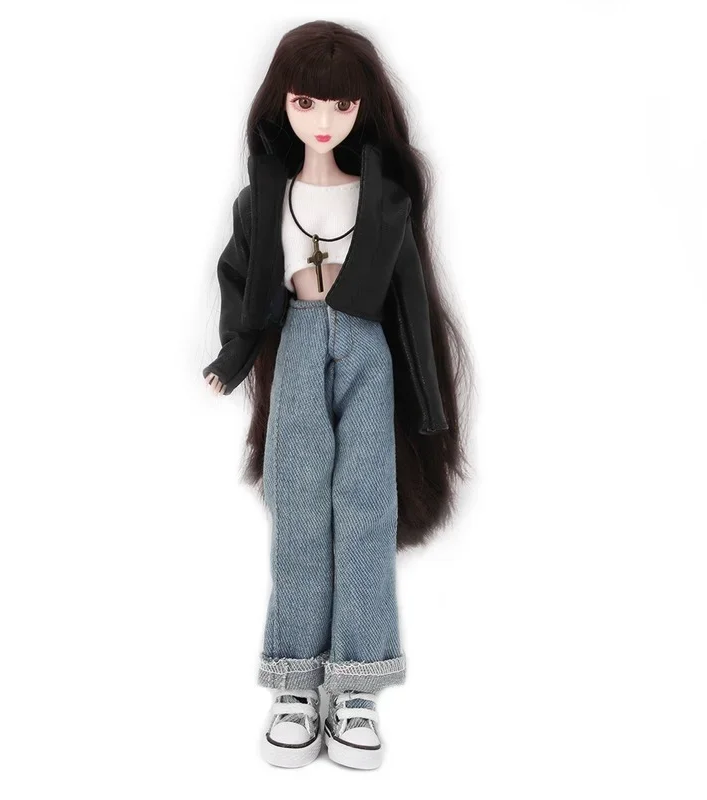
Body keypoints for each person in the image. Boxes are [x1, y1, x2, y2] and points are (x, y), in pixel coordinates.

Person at [202, 20, 474, 770]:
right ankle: (295, 682)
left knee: (365, 508)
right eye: (306, 102)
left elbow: (411, 300)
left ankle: (355, 686)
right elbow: (242, 280)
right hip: (295, 343)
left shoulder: (382, 200)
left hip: (366, 351)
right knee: (297, 505)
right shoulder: (265, 197)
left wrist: (428, 399)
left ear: (362, 109)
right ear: (282, 104)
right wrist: (231, 356)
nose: (323, 121)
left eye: (341, 105)